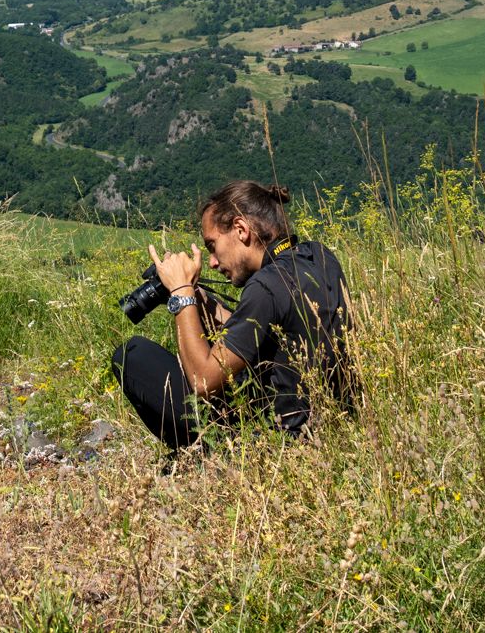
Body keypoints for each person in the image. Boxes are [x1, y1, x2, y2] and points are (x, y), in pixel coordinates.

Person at [110, 179, 356, 451]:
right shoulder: (318, 256)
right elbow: (271, 334)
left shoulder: (265, 286)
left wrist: (181, 294)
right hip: (329, 423)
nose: (213, 262)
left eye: (212, 245)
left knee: (132, 354)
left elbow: (203, 382)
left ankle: (200, 458)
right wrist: (202, 302)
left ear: (240, 229)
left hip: (274, 441)